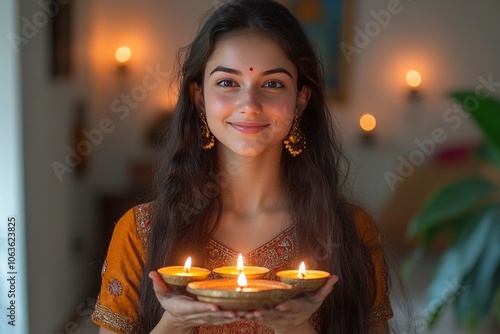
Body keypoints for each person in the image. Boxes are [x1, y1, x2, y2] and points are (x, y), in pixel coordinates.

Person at [92, 0, 395, 333]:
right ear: (199, 98)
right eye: (227, 83)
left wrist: (295, 327)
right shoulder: (141, 233)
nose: (249, 105)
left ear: (301, 100)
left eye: (273, 84)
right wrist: (174, 324)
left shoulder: (349, 232)